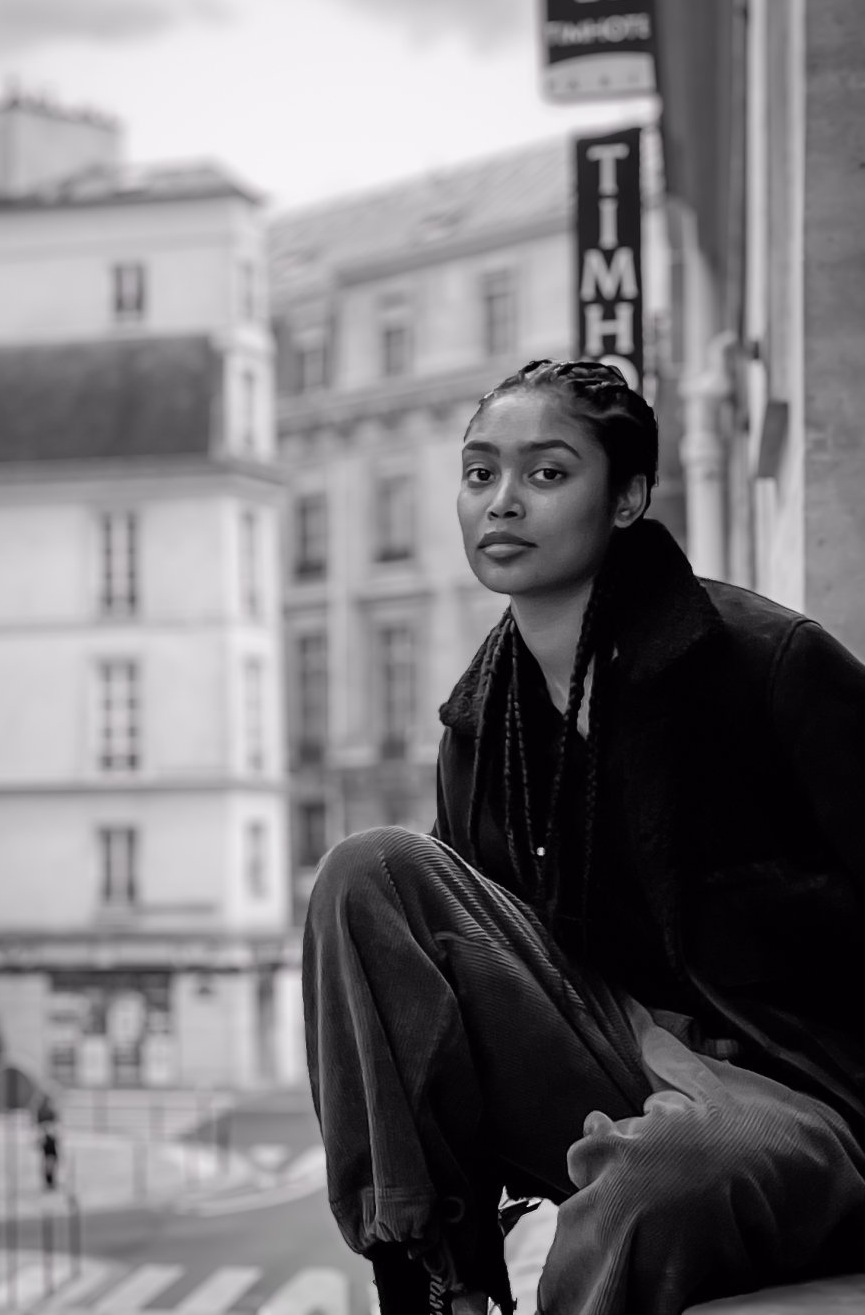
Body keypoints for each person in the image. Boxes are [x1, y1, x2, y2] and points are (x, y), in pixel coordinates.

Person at [303, 360, 865, 1315]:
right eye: (480, 473)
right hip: (612, 1055)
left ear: (628, 498)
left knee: (660, 1171)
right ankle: (438, 1282)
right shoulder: (480, 728)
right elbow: (460, 982)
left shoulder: (764, 661)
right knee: (367, 869)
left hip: (796, 1095)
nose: (503, 502)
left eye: (547, 473)